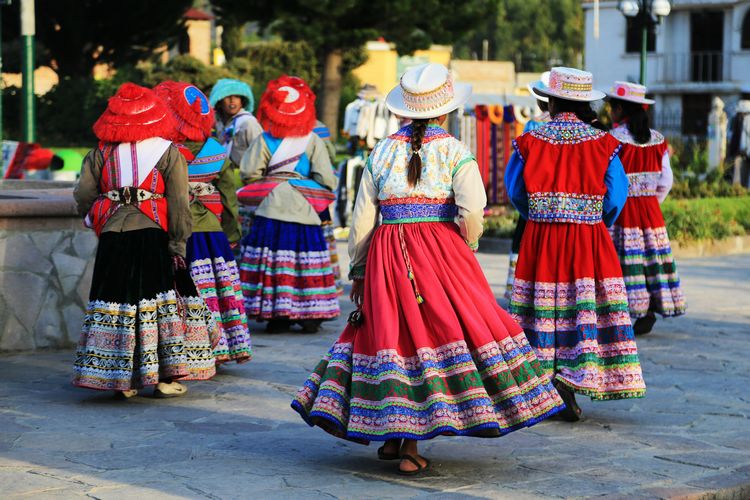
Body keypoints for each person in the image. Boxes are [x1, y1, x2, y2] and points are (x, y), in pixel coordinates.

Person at [292, 63, 564, 476]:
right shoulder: (455, 151)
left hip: (387, 253)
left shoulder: (381, 151)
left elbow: (363, 219)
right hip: (439, 251)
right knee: (436, 333)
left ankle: (394, 435)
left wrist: (360, 271)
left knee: (393, 333)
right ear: (445, 111)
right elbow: (473, 211)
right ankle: (411, 447)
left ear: (404, 110)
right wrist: (465, 246)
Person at [505, 67, 646, 421]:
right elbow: (616, 196)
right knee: (583, 304)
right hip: (589, 239)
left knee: (543, 306)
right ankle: (575, 378)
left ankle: (543, 382)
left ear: (551, 101)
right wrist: (596, 220)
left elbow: (515, 191)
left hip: (541, 237)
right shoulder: (604, 143)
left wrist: (540, 213)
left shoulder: (530, 141)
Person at [72, 83, 216, 399]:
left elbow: (84, 195)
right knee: (155, 302)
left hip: (114, 234)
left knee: (116, 300)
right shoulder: (169, 153)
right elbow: (179, 203)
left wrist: (98, 219)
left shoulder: (100, 152)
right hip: (153, 233)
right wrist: (178, 245)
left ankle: (120, 380)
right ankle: (164, 379)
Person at [154, 80, 253, 364]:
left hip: (176, 228)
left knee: (184, 289)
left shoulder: (165, 151)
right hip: (212, 231)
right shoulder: (215, 150)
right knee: (218, 290)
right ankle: (222, 347)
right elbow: (229, 196)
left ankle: (186, 348)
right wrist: (232, 232)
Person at [237, 76, 340, 333]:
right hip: (304, 210)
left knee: (273, 262)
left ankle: (277, 314)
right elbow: (327, 179)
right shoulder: (313, 140)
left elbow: (249, 173)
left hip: (270, 208)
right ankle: (310, 314)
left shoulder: (263, 139)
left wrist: (272, 182)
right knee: (306, 262)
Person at [606, 81, 686, 335]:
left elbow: (608, 179)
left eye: (611, 107)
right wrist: (651, 199)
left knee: (625, 261)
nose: (609, 112)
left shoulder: (614, 140)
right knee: (650, 260)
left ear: (620, 109)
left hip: (624, 211)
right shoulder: (658, 140)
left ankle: (629, 311)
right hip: (650, 211)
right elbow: (666, 180)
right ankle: (649, 309)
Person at [505, 72, 551, 301]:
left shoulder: (533, 127)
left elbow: (517, 178)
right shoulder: (589, 132)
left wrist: (526, 207)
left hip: (536, 205)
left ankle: (525, 297)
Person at [209, 78, 263, 169]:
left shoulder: (249, 123)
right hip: (223, 176)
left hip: (245, 177)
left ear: (242, 102)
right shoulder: (218, 124)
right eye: (227, 96)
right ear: (219, 101)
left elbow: (261, 154)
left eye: (237, 96)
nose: (232, 100)